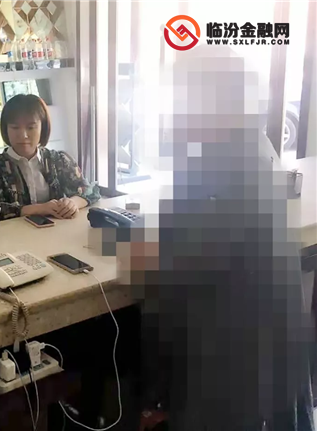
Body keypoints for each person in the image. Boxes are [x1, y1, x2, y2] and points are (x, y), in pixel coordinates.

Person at [114, 45, 315, 431]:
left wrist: (139, 259)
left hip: (228, 370)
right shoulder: (245, 147)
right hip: (250, 359)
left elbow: (183, 270)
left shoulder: (232, 166)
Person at [0, 94, 100, 220]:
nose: (23, 135)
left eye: (31, 127)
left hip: (58, 228)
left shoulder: (58, 160)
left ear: (43, 128)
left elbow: (91, 190)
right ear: (6, 129)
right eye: (15, 127)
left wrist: (73, 203)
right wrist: (40, 209)